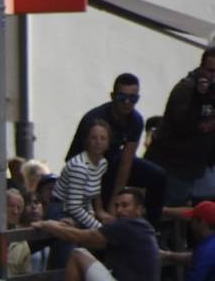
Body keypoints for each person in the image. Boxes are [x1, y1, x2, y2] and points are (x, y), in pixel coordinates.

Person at [65, 72, 167, 225]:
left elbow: (126, 162)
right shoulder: (94, 119)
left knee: (158, 176)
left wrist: (114, 203)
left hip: (113, 161)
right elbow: (88, 164)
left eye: (133, 99)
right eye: (122, 97)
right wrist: (101, 209)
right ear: (113, 96)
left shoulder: (136, 120)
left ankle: (151, 227)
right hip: (86, 166)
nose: (127, 102)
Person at [146, 48, 215, 207]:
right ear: (202, 68)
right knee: (161, 207)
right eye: (211, 71)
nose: (213, 77)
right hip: (171, 163)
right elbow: (183, 126)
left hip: (195, 166)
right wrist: (199, 97)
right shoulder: (186, 89)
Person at [55, 119, 113, 230]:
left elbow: (87, 196)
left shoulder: (102, 163)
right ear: (87, 141)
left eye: (103, 138)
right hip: (62, 212)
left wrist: (91, 213)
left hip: (79, 211)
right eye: (94, 138)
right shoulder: (79, 166)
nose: (98, 142)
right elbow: (74, 206)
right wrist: (99, 229)